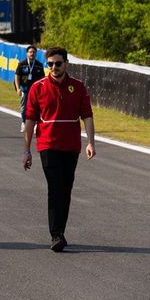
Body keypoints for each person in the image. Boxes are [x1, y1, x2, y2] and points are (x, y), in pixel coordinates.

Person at [23, 47, 96, 253]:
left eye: (57, 63)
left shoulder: (78, 87)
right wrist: (26, 150)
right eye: (50, 64)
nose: (53, 67)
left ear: (66, 64)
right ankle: (56, 235)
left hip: (71, 146)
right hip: (48, 145)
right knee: (55, 188)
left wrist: (91, 142)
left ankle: (60, 231)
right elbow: (30, 120)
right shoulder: (38, 88)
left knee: (65, 189)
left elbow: (87, 116)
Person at [15, 45, 45, 133]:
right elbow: (17, 77)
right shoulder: (21, 64)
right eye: (30, 52)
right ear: (27, 53)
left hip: (36, 91)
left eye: (34, 52)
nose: (32, 54)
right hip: (25, 89)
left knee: (37, 107)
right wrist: (18, 88)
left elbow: (43, 78)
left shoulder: (39, 65)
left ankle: (36, 124)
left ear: (36, 54)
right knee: (24, 107)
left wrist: (42, 90)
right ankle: (24, 122)